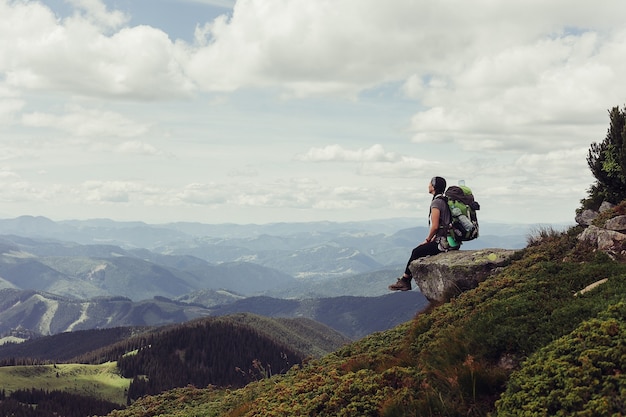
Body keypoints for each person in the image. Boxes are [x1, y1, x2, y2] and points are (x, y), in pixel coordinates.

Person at [388, 176, 452, 291]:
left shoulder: (437, 202)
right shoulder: (445, 200)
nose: (428, 185)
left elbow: (435, 226)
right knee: (422, 251)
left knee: (416, 251)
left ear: (434, 186)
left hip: (443, 244)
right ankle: (405, 280)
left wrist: (428, 239)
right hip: (451, 241)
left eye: (429, 184)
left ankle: (405, 280)